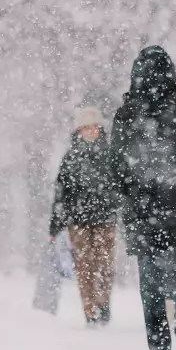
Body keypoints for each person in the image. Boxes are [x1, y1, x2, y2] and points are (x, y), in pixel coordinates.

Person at [110, 46, 176, 350]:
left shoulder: (126, 115)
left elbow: (117, 165)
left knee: (151, 279)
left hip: (142, 210)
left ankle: (158, 348)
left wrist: (132, 193)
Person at [48, 106, 120, 327]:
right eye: (85, 128)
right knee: (84, 266)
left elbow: (120, 186)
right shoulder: (71, 158)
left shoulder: (110, 154)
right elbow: (61, 193)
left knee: (104, 264)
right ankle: (90, 310)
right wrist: (55, 225)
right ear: (78, 131)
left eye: (94, 127)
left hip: (105, 219)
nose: (90, 131)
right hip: (78, 221)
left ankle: (103, 302)